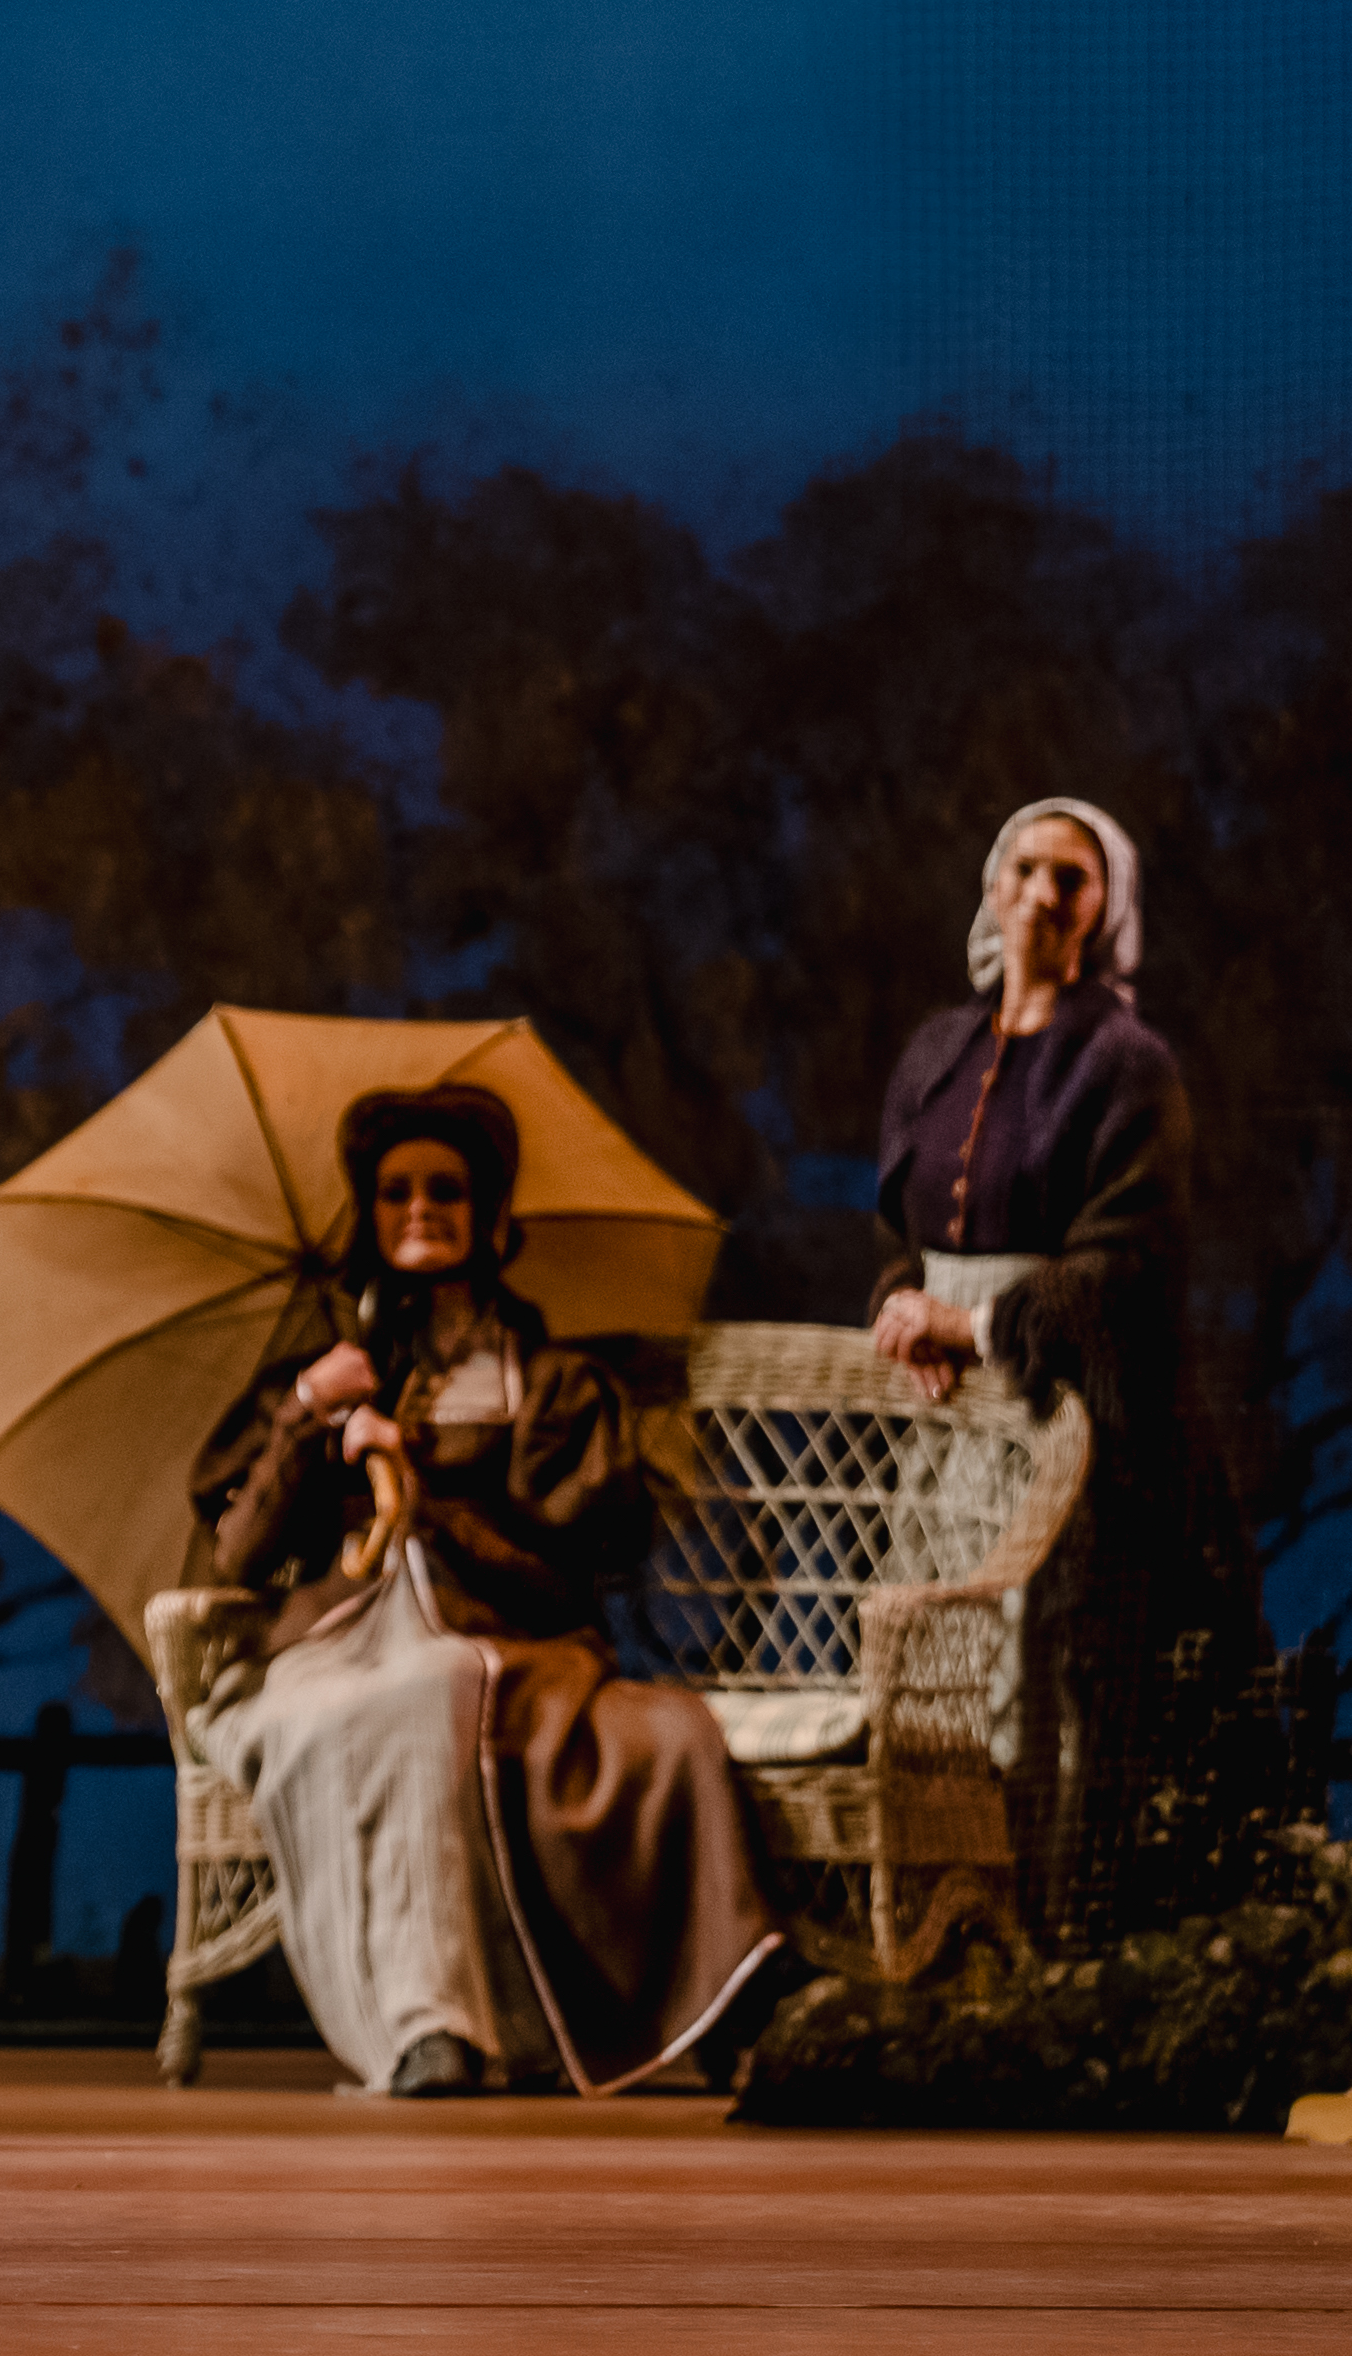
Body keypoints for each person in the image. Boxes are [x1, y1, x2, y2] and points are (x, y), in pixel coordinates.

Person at [182, 1086, 774, 2098]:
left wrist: (417, 1486)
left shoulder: (547, 1383)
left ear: (490, 1215)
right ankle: (424, 2022)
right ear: (366, 1214)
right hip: (332, 1641)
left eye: (444, 1190)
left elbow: (579, 1559)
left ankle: (484, 2024)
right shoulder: (329, 1371)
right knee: (363, 1711)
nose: (419, 1208)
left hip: (506, 1645)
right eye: (394, 1190)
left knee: (561, 1718)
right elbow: (238, 1553)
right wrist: (304, 1415)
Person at [860, 797, 1279, 1936]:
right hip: (945, 1430)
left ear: (1103, 908)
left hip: (1074, 1416)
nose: (1045, 892)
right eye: (1027, 868)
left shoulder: (1125, 1062)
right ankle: (949, 1940)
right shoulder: (936, 1052)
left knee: (1060, 1689)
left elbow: (1131, 1254)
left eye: (1072, 879)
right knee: (942, 1678)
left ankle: (1062, 1950)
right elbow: (898, 1220)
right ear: (992, 885)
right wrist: (899, 1299)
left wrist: (981, 1322)